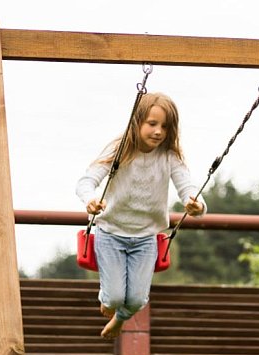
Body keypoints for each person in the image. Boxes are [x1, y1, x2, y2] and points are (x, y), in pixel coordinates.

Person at [76, 92, 206, 339]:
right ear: (136, 122)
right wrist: (90, 200)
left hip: (146, 238)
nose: (158, 131)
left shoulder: (169, 157)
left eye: (165, 127)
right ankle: (108, 300)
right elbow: (86, 181)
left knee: (137, 300)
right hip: (111, 234)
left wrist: (196, 204)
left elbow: (187, 187)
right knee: (114, 297)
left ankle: (119, 319)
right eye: (152, 123)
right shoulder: (120, 150)